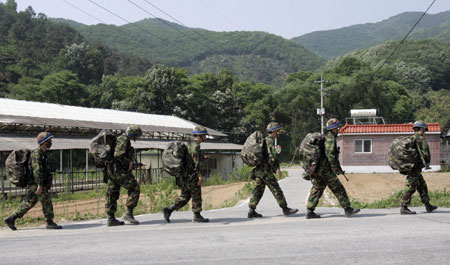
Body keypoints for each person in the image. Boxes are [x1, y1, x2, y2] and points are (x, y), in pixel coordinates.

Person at [3, 132, 62, 230]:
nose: (51, 142)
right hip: (35, 183)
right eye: (49, 141)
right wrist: (39, 184)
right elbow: (37, 170)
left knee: (29, 202)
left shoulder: (43, 154)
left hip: (36, 183)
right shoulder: (37, 154)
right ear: (42, 142)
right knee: (46, 200)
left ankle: (11, 218)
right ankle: (49, 222)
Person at [305, 118, 360, 219]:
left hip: (318, 169)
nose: (339, 129)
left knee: (317, 189)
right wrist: (335, 168)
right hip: (325, 170)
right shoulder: (330, 139)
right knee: (338, 188)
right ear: (333, 128)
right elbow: (330, 155)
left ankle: (310, 211)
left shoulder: (326, 138)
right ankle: (348, 209)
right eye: (338, 127)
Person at [247, 122, 298, 218]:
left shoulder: (264, 141)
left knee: (258, 190)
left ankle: (251, 210)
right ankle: (285, 209)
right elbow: (272, 157)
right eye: (277, 131)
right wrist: (277, 168)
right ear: (274, 131)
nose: (278, 133)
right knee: (276, 189)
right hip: (265, 171)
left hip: (259, 171)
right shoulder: (269, 141)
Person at [163, 126, 210, 223]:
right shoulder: (195, 145)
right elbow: (197, 162)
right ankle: (197, 215)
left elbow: (190, 158)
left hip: (182, 175)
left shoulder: (188, 143)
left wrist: (202, 157)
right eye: (204, 135)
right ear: (200, 135)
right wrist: (200, 175)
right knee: (196, 193)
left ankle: (169, 209)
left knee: (185, 195)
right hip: (191, 175)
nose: (205, 137)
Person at [105, 125, 142, 226]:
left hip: (112, 170)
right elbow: (118, 155)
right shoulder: (124, 139)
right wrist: (129, 162)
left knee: (112, 192)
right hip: (119, 171)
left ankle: (111, 218)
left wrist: (133, 164)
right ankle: (128, 214)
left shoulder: (120, 138)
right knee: (134, 188)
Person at [400, 121, 437, 215]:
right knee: (411, 186)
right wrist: (427, 163)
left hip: (412, 167)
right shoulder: (421, 139)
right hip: (414, 168)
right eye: (424, 130)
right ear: (421, 129)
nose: (424, 132)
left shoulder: (411, 138)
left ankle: (428, 205)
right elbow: (425, 153)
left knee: (422, 185)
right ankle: (404, 206)